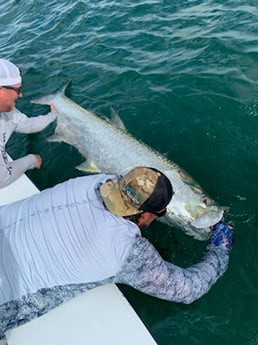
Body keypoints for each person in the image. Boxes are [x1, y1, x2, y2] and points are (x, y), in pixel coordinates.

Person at [0, 166, 233, 338]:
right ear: (146, 215)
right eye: (158, 214)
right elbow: (188, 289)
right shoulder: (128, 252)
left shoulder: (94, 181)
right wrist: (220, 247)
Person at [0, 58, 57, 188]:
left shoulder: (9, 113)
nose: (20, 95)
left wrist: (52, 115)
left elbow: (28, 125)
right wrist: (31, 160)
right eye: (17, 90)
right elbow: (2, 178)